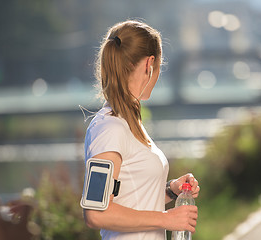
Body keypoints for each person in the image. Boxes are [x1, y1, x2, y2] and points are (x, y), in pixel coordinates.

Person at [82, 20, 200, 240]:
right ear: (150, 64)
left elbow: (131, 196)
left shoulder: (129, 123)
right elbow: (95, 212)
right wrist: (167, 219)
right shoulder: (110, 127)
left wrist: (172, 190)